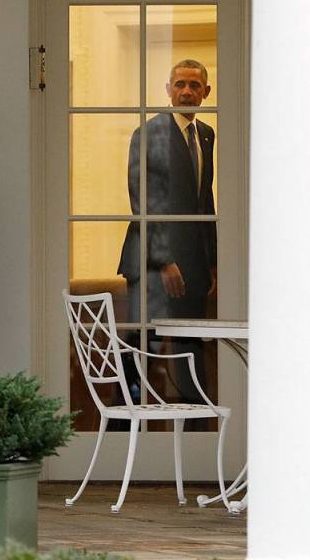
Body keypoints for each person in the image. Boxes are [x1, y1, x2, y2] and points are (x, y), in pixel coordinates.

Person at [117, 59, 217, 410]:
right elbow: (142, 198)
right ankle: (122, 431)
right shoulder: (148, 133)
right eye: (179, 84)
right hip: (152, 263)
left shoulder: (206, 134)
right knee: (142, 348)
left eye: (194, 85)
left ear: (206, 93)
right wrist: (164, 261)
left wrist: (213, 264)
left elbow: (206, 202)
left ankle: (197, 437)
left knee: (193, 351)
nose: (186, 91)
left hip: (194, 266)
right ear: (168, 90)